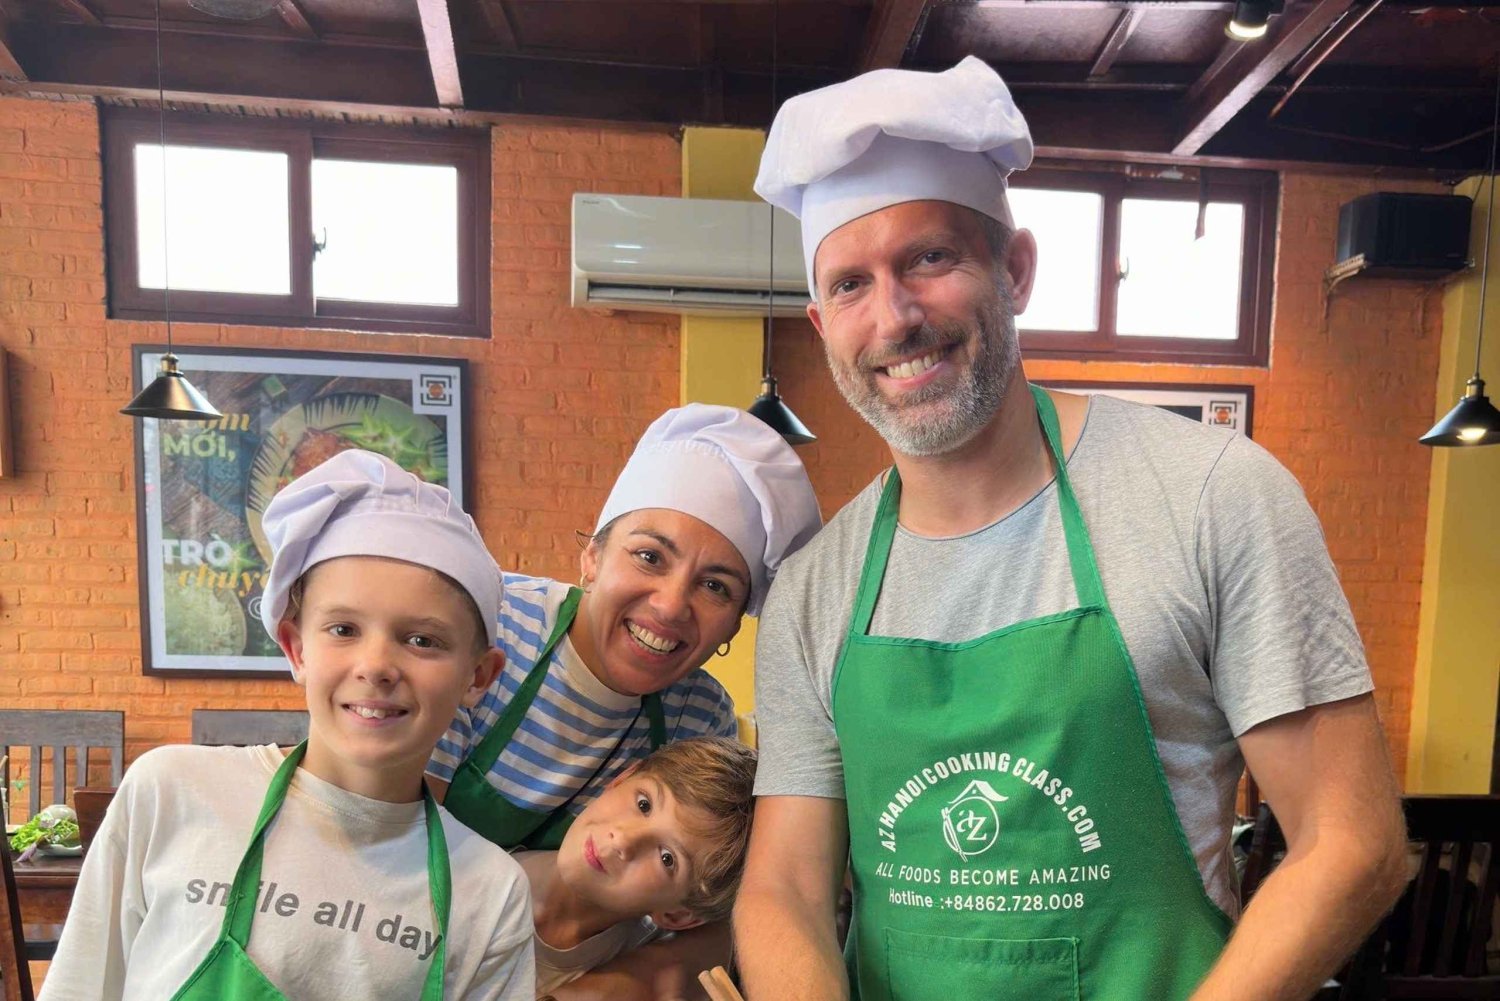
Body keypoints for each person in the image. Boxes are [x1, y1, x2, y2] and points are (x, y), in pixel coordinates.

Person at [733, 57, 1409, 1001]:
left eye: (930, 257)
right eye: (850, 284)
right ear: (820, 324)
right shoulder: (817, 586)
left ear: (1014, 270)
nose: (894, 316)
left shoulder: (1210, 495)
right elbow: (785, 888)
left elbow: (1354, 841)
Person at [41, 450, 535, 1000]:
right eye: (344, 628)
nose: (375, 666)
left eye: (422, 640)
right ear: (296, 648)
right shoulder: (172, 790)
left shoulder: (489, 893)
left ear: (478, 675)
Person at [426, 403, 818, 854]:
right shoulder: (488, 624)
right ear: (593, 555)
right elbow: (391, 840)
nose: (671, 606)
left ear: (733, 625)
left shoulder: (698, 717)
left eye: (714, 586)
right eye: (649, 557)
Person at [516, 736, 757, 998]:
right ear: (623, 778)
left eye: (667, 858)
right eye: (644, 804)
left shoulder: (641, 966)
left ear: (678, 916)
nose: (623, 839)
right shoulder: (475, 873)